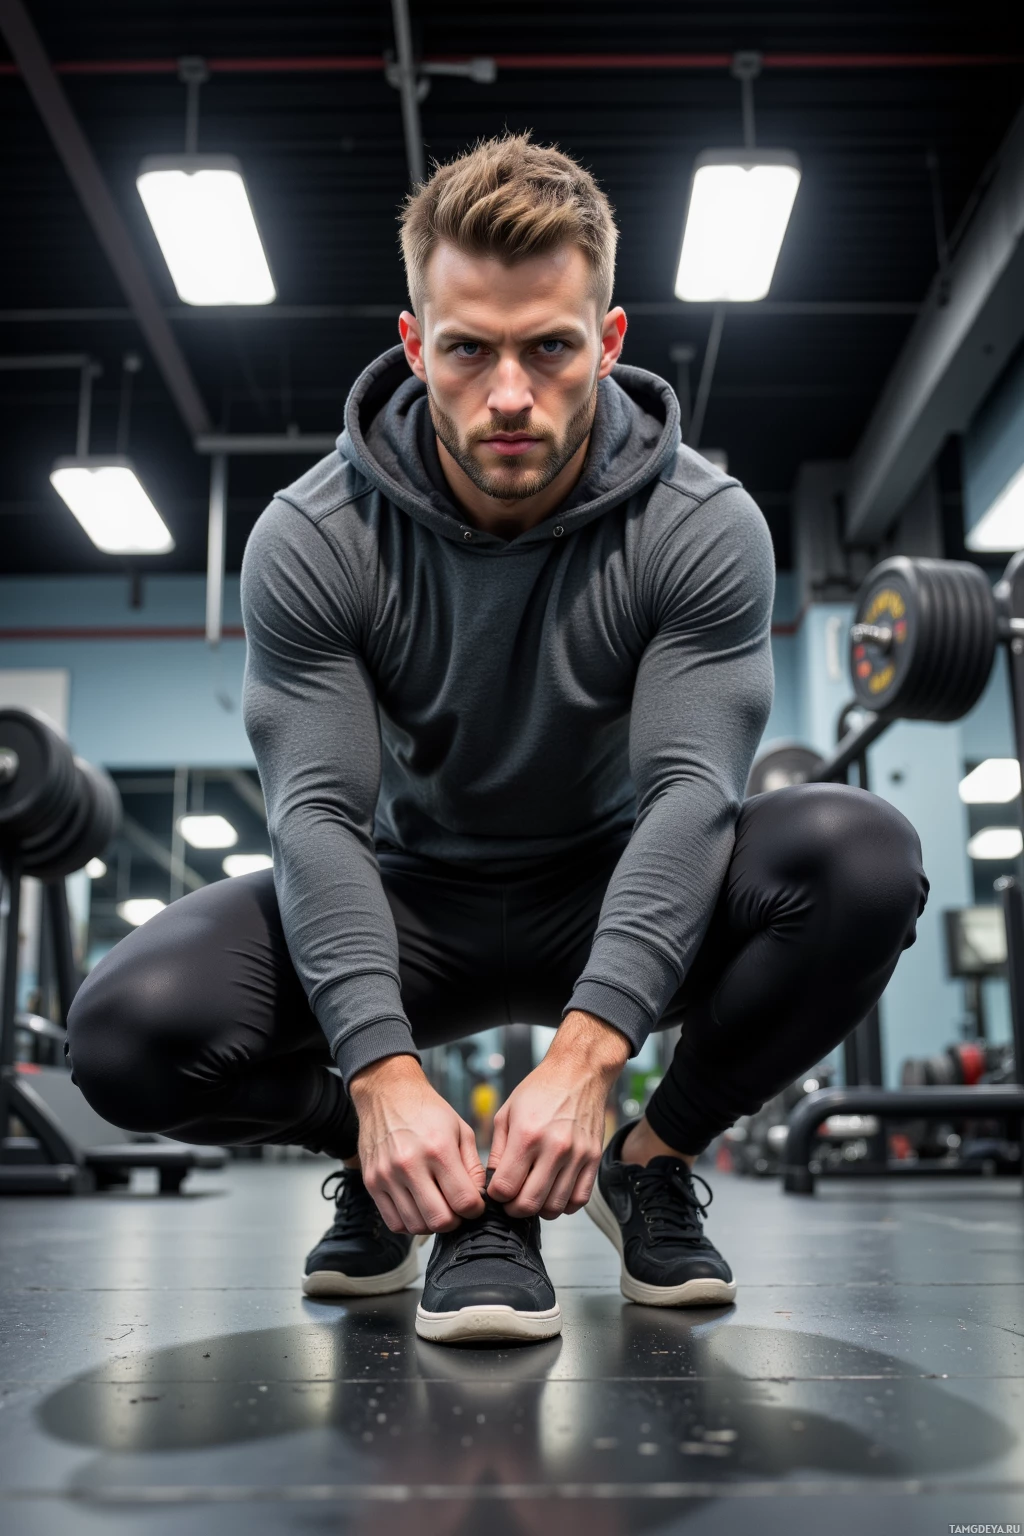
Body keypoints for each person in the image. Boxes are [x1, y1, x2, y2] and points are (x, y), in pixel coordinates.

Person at [67, 133, 928, 1345]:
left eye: (550, 348)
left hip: (621, 880)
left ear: (608, 344)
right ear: (416, 345)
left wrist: (591, 1061)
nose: (509, 395)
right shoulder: (314, 537)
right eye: (468, 350)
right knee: (123, 1033)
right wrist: (379, 1080)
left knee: (859, 857)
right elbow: (314, 816)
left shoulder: (701, 523)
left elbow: (691, 791)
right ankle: (400, 1170)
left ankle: (653, 1161)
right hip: (411, 898)